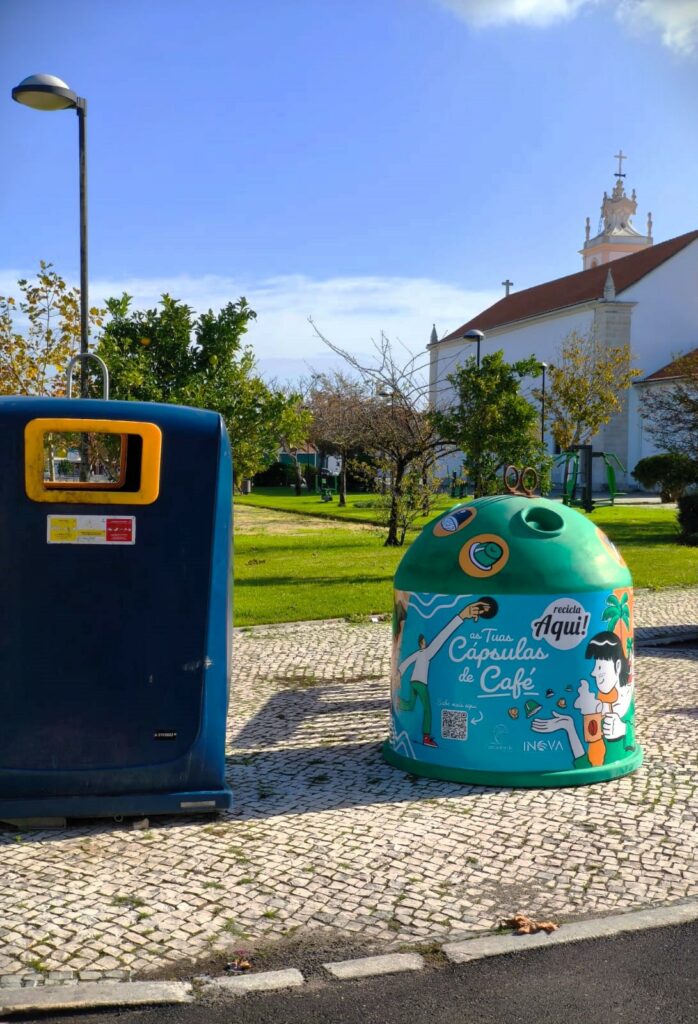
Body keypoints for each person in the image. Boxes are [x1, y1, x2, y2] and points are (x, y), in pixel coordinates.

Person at [396, 597, 497, 747]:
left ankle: (399, 704)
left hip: (413, 682)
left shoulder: (420, 653)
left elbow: (407, 661)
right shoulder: (428, 652)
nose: (426, 643)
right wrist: (460, 617)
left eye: (425, 642)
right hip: (421, 684)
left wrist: (400, 671)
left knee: (411, 704)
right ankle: (426, 737)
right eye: (424, 642)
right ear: (421, 643)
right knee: (428, 710)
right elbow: (441, 638)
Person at [531, 630, 635, 768]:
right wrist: (568, 726)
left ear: (617, 666)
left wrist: (623, 729)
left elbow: (626, 732)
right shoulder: (601, 705)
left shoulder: (623, 699)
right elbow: (585, 761)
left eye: (599, 666)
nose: (593, 673)